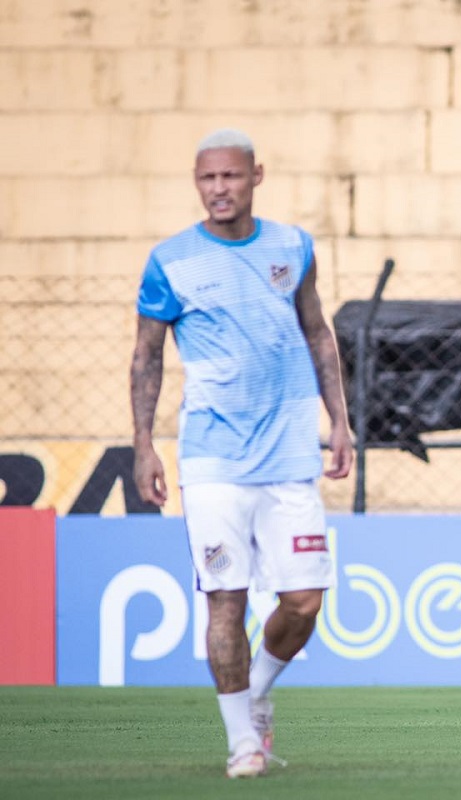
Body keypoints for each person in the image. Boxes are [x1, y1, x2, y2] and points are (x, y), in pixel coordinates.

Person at [130, 128, 354, 778]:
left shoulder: (293, 246)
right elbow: (145, 357)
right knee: (224, 601)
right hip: (212, 460)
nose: (219, 189)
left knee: (305, 600)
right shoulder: (170, 260)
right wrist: (144, 444)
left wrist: (340, 421)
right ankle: (241, 744)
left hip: (289, 457)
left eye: (231, 177)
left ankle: (256, 691)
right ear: (197, 183)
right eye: (208, 179)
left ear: (256, 176)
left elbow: (317, 330)